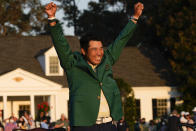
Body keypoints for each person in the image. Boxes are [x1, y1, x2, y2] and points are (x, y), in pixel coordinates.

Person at [45, 1, 144, 131]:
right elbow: (61, 44)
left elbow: (121, 40)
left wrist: (135, 17)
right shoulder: (72, 64)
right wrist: (52, 19)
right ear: (84, 51)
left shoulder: (107, 59)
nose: (99, 53)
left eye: (101, 48)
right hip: (84, 126)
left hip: (109, 125)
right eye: (94, 49)